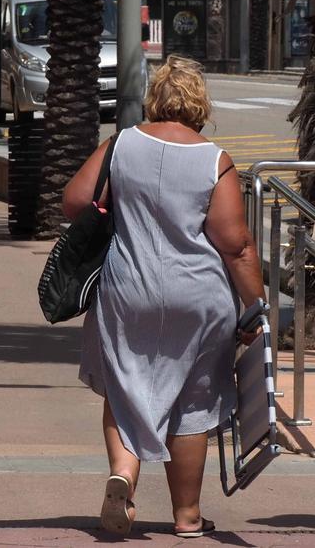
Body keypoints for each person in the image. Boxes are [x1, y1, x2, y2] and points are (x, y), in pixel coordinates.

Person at [64, 56, 264, 539]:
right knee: (193, 401)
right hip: (197, 295)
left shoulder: (121, 145)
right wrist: (255, 307)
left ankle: (123, 477)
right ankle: (188, 516)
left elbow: (73, 201)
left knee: (123, 384)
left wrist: (112, 204)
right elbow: (235, 244)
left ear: (153, 101)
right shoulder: (214, 160)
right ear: (200, 104)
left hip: (126, 288)